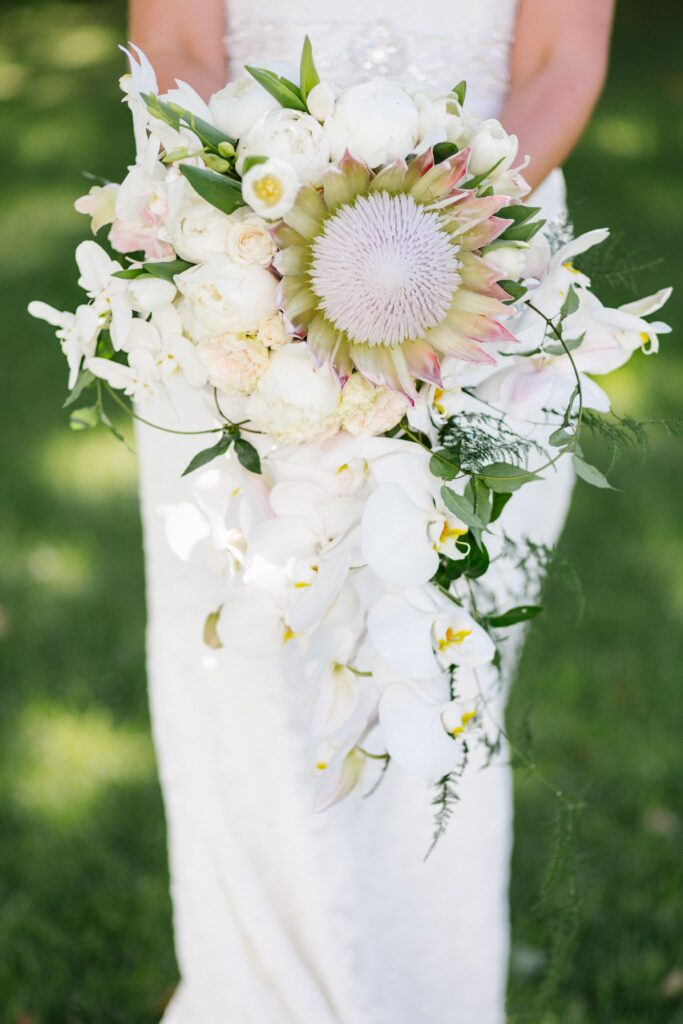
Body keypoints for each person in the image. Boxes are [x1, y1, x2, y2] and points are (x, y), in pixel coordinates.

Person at [129, 2, 615, 1021]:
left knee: (434, 674)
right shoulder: (233, 257)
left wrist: (418, 242)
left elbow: (561, 59)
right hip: (231, 271)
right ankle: (255, 994)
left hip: (485, 279)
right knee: (241, 669)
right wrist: (249, 237)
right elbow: (174, 46)